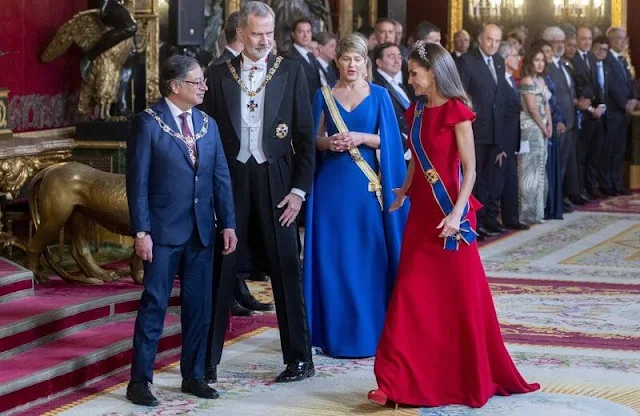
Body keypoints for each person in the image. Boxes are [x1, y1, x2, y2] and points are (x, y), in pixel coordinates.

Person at [369, 41, 539, 408]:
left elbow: (470, 170)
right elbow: (417, 158)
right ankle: (397, 380)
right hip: (422, 215)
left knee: (458, 300)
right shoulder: (415, 110)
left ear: (433, 73)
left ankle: (467, 376)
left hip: (451, 218)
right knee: (411, 297)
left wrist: (456, 213)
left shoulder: (457, 111)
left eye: (414, 73)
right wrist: (402, 191)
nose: (409, 79)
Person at [202, 1, 315, 384]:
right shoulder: (218, 74)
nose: (265, 41)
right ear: (240, 34)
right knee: (222, 270)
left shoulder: (293, 71)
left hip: (279, 182)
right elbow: (210, 143)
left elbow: (304, 137)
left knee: (286, 269)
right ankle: (208, 360)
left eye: (269, 34)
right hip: (232, 179)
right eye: (257, 34)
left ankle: (299, 359)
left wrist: (299, 191)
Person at [125, 55, 237, 406]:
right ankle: (139, 382)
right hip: (161, 234)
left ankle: (194, 376)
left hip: (202, 233)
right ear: (175, 86)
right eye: (197, 81)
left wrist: (228, 222)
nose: (204, 87)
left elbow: (221, 177)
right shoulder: (148, 123)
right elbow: (137, 183)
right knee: (155, 305)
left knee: (198, 308)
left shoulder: (208, 124)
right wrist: (141, 231)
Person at [303, 34, 409, 358]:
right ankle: (335, 335)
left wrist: (361, 137)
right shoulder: (324, 94)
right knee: (334, 261)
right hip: (331, 190)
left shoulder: (379, 95)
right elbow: (313, 139)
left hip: (366, 190)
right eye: (346, 58)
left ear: (366, 63)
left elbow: (391, 142)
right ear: (337, 61)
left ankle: (371, 333)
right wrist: (328, 143)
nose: (351, 65)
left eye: (358, 59)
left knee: (367, 259)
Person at [458, 23, 509, 238]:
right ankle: (474, 222)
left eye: (497, 41)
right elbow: (461, 94)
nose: (493, 44)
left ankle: (489, 219)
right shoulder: (467, 61)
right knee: (475, 179)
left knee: (491, 178)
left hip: (496, 131)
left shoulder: (499, 61)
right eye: (490, 39)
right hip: (475, 130)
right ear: (480, 38)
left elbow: (500, 96)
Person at [518, 48, 552, 225]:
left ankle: (539, 212)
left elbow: (546, 105)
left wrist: (550, 125)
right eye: (536, 60)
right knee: (529, 171)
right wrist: (542, 126)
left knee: (540, 170)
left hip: (542, 129)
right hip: (530, 129)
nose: (540, 63)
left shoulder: (541, 79)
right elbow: (532, 108)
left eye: (542, 60)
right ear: (530, 62)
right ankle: (527, 213)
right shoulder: (526, 80)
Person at [602, 27, 637, 196]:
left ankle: (617, 184)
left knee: (619, 151)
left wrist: (634, 99)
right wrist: (625, 104)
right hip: (613, 113)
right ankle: (607, 185)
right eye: (619, 39)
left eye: (625, 39)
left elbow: (631, 83)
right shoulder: (606, 60)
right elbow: (612, 87)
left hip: (624, 113)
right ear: (610, 41)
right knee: (609, 150)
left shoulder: (623, 61)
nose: (623, 42)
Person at [286, 17, 322, 104]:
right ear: (293, 34)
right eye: (301, 32)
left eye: (308, 31)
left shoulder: (310, 56)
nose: (305, 35)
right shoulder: (288, 57)